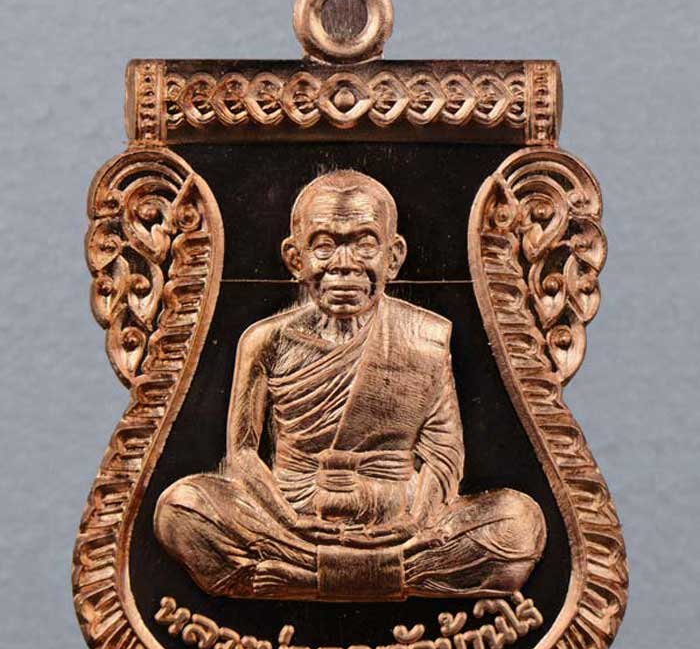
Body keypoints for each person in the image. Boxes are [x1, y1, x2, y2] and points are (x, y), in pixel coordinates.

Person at [155, 170, 546, 600]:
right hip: (294, 518)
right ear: (296, 259)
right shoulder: (265, 340)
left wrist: (414, 522)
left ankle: (306, 580)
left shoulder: (425, 338)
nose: (344, 264)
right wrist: (288, 519)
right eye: (324, 245)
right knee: (181, 508)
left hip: (395, 518)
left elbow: (443, 456)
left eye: (364, 244)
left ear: (393, 257)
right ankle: (392, 577)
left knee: (519, 524)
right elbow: (243, 453)